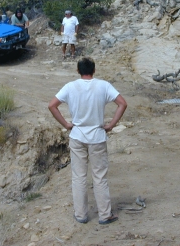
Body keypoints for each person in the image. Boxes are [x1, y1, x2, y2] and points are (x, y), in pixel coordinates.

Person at [48, 57, 127, 225]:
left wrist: (66, 124)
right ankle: (105, 214)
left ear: (78, 71)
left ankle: (81, 214)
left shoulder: (70, 87)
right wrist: (111, 125)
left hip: (77, 136)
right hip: (97, 136)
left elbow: (52, 106)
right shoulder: (103, 85)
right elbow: (122, 104)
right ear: (94, 70)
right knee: (99, 177)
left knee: (79, 177)